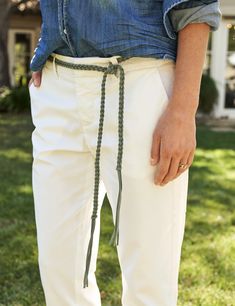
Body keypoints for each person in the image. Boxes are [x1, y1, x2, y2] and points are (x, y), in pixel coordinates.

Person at [28, 1, 222, 305]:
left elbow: (195, 5)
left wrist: (183, 111)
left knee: (149, 277)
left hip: (139, 83)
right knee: (59, 268)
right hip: (58, 83)